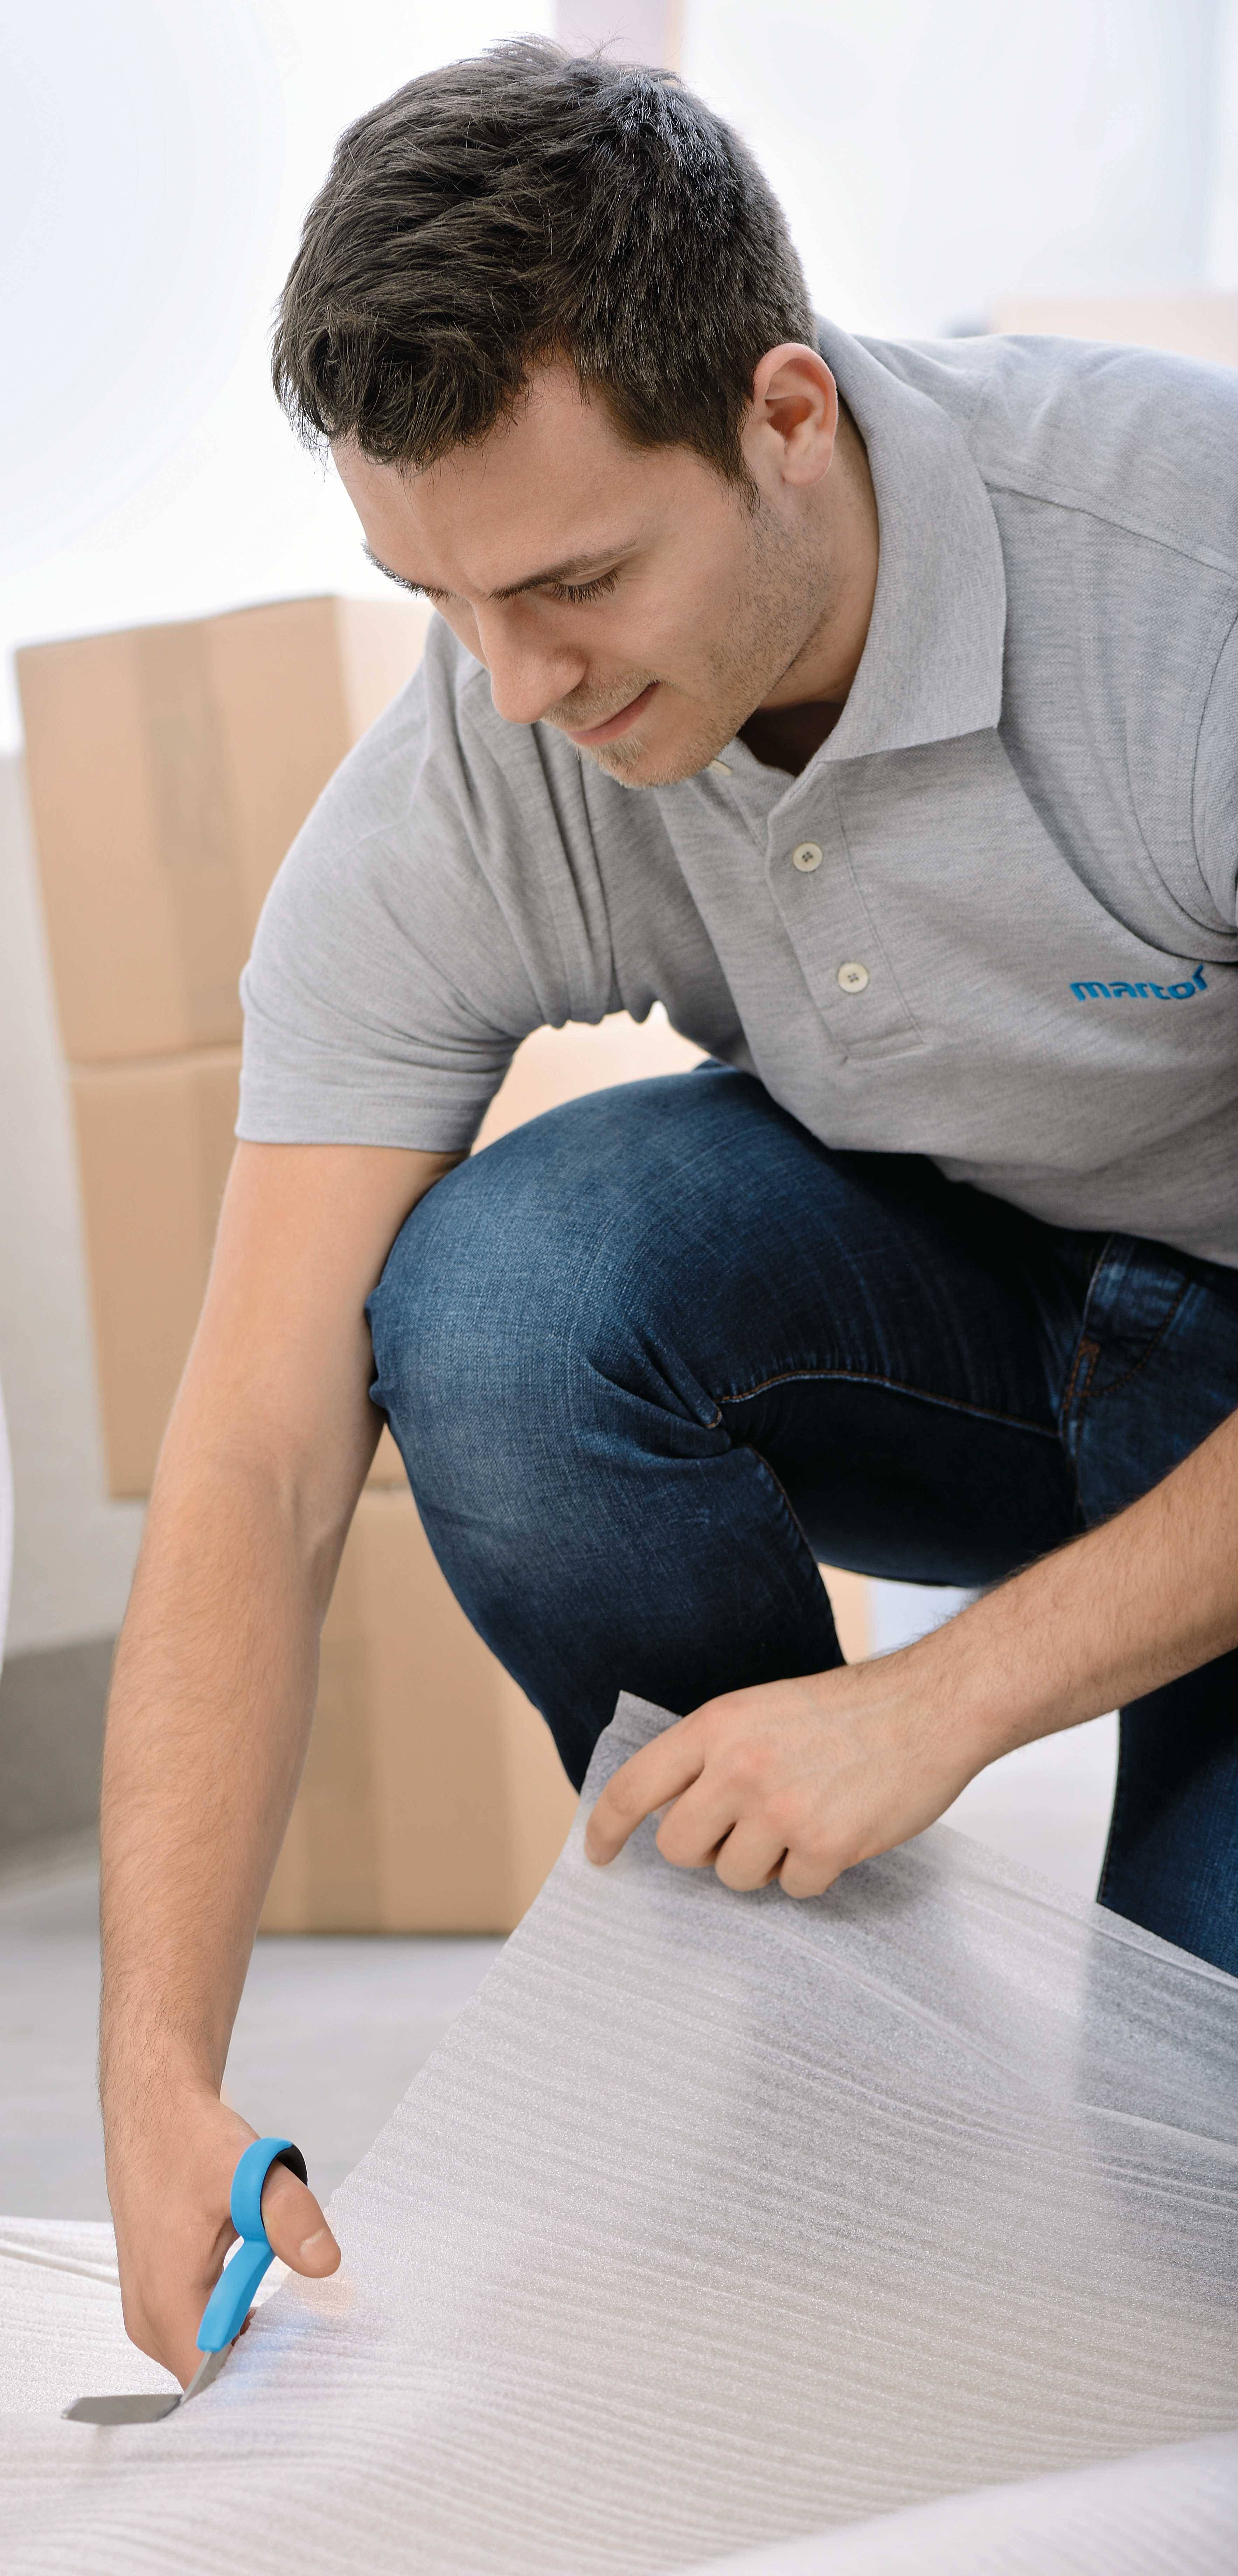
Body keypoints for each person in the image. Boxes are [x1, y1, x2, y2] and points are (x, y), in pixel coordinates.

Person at [98, 40, 1238, 2386]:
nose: (518, 687)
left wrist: (940, 1704)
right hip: (1008, 1323)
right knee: (500, 1305)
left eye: (579, 582)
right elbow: (256, 1449)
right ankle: (828, 2044)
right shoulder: (490, 755)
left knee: (1195, 2204)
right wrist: (155, 2064)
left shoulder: (1189, 597)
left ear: (787, 416)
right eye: (438, 597)